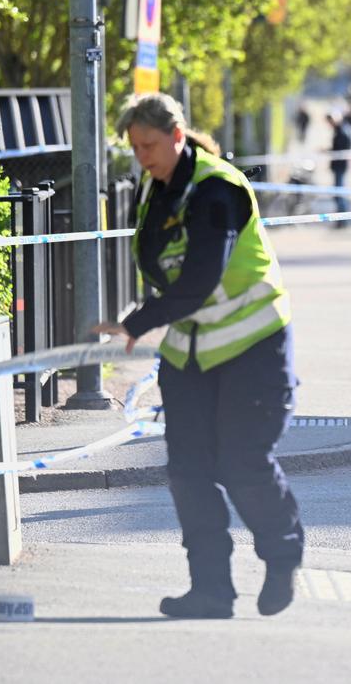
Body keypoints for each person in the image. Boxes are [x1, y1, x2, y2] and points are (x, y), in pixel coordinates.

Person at [93, 92, 304, 619]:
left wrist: (135, 322)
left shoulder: (217, 189)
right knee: (187, 471)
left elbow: (202, 277)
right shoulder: (157, 184)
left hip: (253, 347)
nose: (142, 157)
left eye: (149, 145)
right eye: (135, 148)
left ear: (177, 135)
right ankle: (210, 591)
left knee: (242, 462)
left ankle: (282, 555)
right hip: (191, 354)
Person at [327, 111, 351, 228]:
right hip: (339, 166)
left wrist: (328, 151)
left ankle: (343, 220)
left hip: (340, 167)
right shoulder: (340, 130)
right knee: (338, 194)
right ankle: (342, 219)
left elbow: (340, 150)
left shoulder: (341, 132)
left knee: (339, 194)